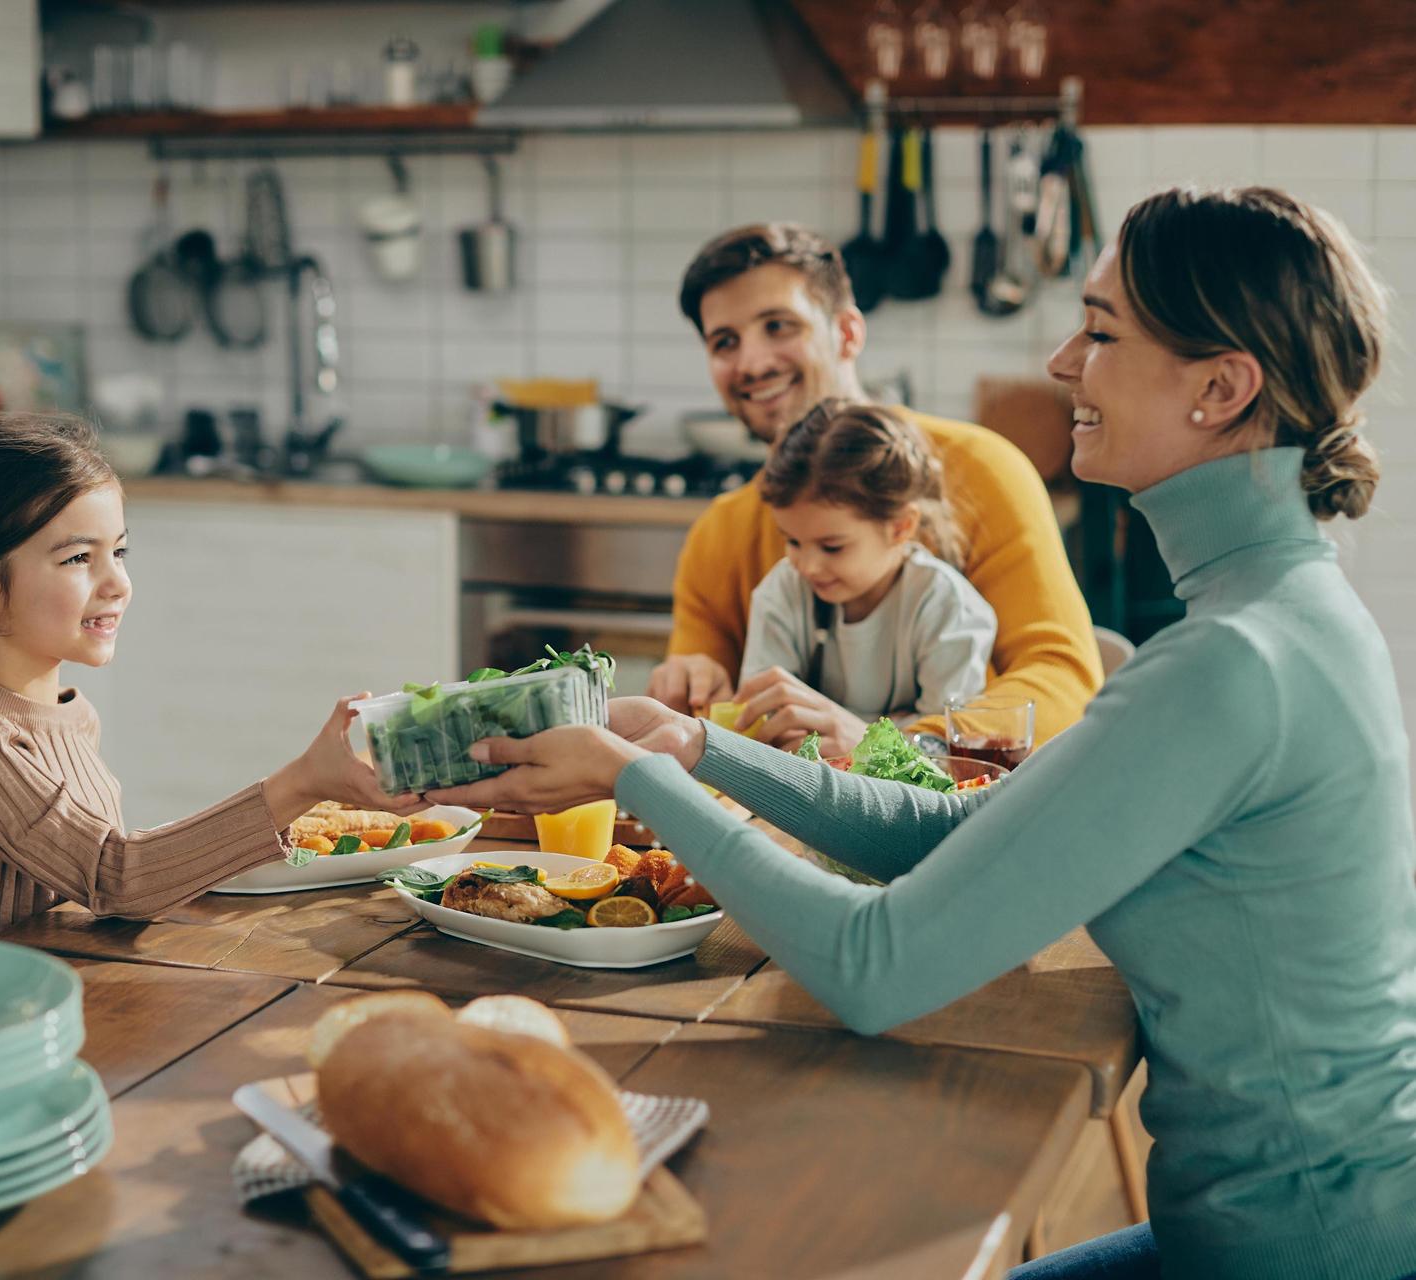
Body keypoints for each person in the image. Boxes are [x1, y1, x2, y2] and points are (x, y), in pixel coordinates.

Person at [433, 187, 1416, 1279]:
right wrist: (691, 748)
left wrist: (631, 775)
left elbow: (874, 966)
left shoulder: (1228, 663)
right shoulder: (1281, 617)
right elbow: (954, 828)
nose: (1057, 361)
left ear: (1220, 387)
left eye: (1098, 331)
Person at [0, 414, 418, 938]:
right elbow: (115, 878)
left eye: (119, 552)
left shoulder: (70, 714)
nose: (117, 584)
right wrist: (300, 783)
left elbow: (101, 877)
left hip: (70, 992)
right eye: (78, 559)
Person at [648, 223, 1099, 756]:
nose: (752, 362)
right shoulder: (717, 535)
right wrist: (691, 684)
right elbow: (710, 730)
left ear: (847, 333)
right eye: (725, 342)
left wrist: (893, 750)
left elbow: (1061, 676)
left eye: (778, 325)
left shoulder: (984, 471)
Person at [742, 399, 995, 725]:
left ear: (901, 527)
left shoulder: (947, 608)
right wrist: (899, 726)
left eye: (832, 547)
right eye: (793, 541)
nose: (808, 566)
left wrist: (853, 735)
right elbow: (762, 720)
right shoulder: (782, 590)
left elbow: (943, 751)